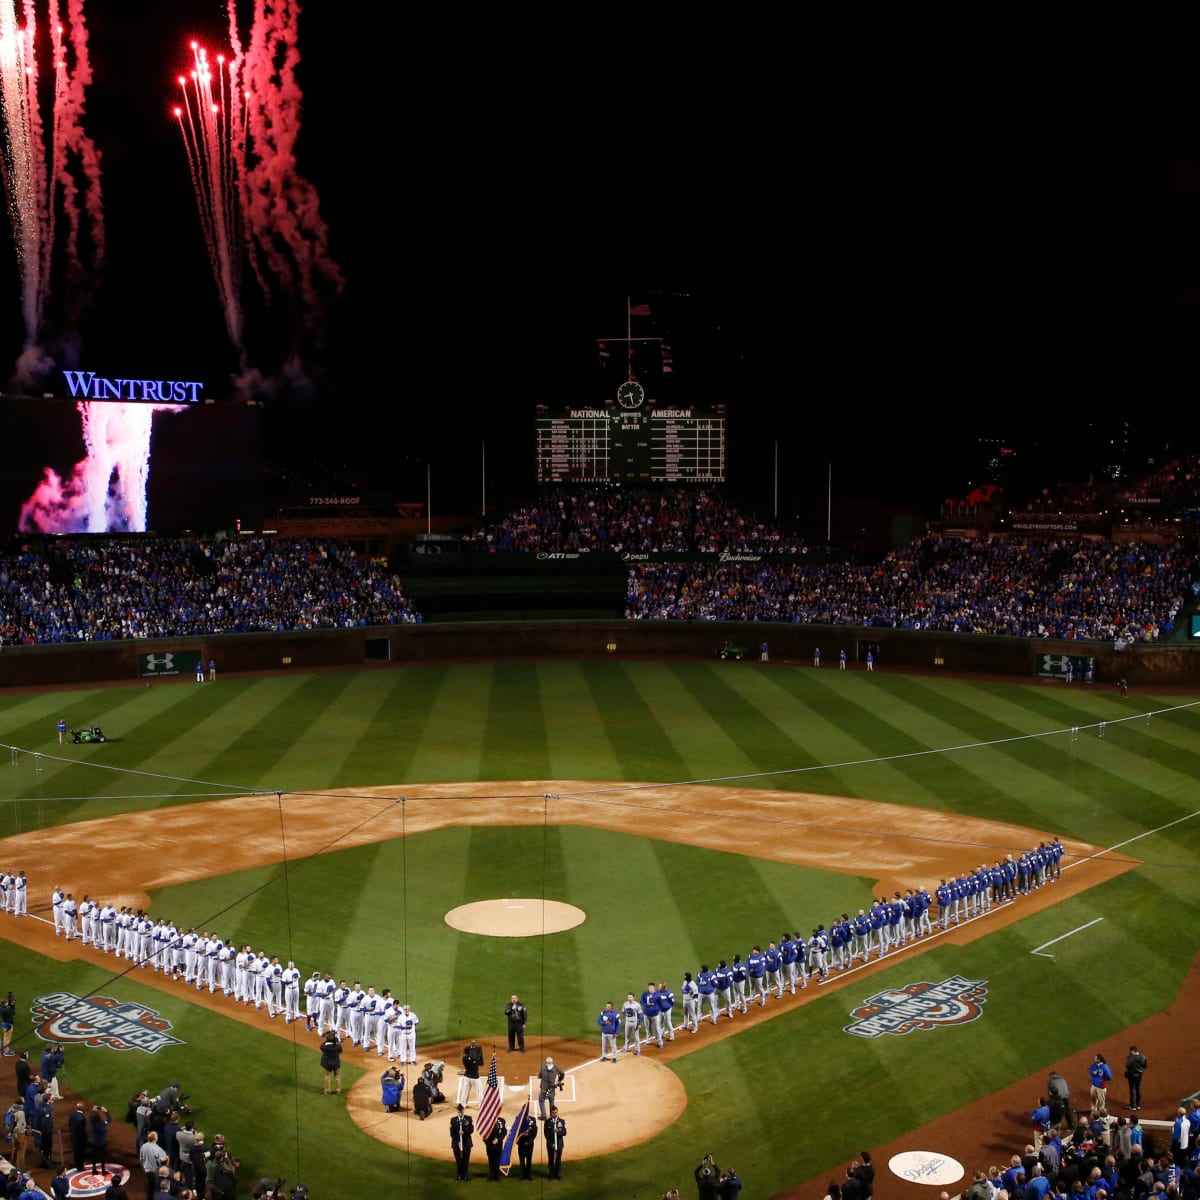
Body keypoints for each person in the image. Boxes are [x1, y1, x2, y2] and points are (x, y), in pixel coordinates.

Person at [141, 1130, 169, 1200]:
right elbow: (163, 1163)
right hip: (156, 1172)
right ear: (155, 1138)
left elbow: (141, 1159)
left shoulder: (143, 1146)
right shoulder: (159, 1150)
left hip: (147, 1171)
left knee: (149, 1187)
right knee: (157, 1189)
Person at [449, 1104, 474, 1182]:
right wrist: (459, 1142)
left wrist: (464, 1132)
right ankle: (459, 1174)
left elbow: (471, 1129)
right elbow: (452, 1133)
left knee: (466, 1159)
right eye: (458, 1112)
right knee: (458, 1160)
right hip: (456, 1143)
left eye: (461, 1112)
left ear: (463, 1111)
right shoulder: (453, 1120)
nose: (460, 1113)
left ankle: (466, 1174)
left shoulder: (469, 1119)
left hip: (466, 1143)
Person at [458, 1039, 484, 1108]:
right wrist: (480, 1054)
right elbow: (482, 1063)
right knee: (479, 1092)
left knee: (465, 1092)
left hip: (467, 1077)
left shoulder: (464, 1058)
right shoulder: (475, 1059)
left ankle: (462, 1105)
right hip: (475, 1078)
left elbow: (471, 1056)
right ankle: (482, 1106)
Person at [543, 1105, 566, 1181]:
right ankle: (551, 1174)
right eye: (553, 1112)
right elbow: (546, 1134)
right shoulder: (547, 1122)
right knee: (551, 1159)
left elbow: (564, 1132)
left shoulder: (561, 1121)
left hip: (559, 1144)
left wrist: (558, 1131)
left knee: (558, 1159)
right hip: (550, 1144)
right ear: (551, 1113)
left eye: (556, 1112)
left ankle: (558, 1174)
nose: (555, 1114)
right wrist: (551, 1143)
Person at [514, 1106, 537, 1181]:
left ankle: (529, 1175)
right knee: (522, 1160)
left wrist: (529, 1141)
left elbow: (534, 1133)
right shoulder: (518, 1120)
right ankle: (522, 1175)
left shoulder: (533, 1120)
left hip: (529, 1144)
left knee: (529, 1160)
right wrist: (522, 1141)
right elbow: (515, 1132)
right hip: (521, 1144)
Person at [483, 1113, 507, 1180]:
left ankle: (496, 1175)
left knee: (497, 1160)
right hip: (490, 1144)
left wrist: (498, 1139)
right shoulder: (487, 1121)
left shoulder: (502, 1121)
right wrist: (489, 1142)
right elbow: (484, 1133)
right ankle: (491, 1175)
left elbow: (504, 1131)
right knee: (491, 1160)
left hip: (498, 1145)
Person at [88, 1104, 110, 1175]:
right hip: (102, 1143)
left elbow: (89, 1118)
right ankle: (103, 1171)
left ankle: (94, 1170)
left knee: (94, 1156)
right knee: (102, 1157)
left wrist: (93, 1111)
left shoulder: (91, 1123)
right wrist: (106, 1111)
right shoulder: (102, 1123)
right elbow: (109, 1120)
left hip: (94, 1142)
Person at [1124, 1044, 1148, 1110]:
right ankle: (1138, 1105)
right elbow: (1145, 1066)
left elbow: (1127, 1066)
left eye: (1131, 1051)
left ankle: (1132, 1106)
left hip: (1132, 1076)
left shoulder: (1131, 1058)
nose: (1130, 1052)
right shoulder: (1143, 1057)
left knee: (1133, 1089)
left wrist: (1130, 1059)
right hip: (1139, 1075)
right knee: (1138, 1088)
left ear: (1133, 1051)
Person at [319, 1030, 342, 1095]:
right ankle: (338, 1090)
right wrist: (336, 1041)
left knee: (327, 1077)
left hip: (327, 1065)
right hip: (336, 1064)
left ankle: (327, 1091)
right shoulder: (337, 1047)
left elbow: (321, 1046)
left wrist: (327, 1040)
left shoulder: (325, 1047)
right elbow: (340, 1050)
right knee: (337, 1076)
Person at [69, 1099, 88, 1171]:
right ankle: (80, 1166)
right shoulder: (82, 1118)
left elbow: (70, 1125)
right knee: (80, 1152)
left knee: (76, 1151)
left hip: (73, 1136)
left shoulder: (72, 1114)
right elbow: (82, 1130)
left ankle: (77, 1163)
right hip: (80, 1138)